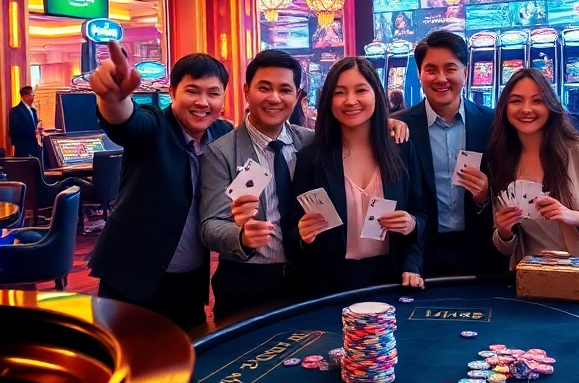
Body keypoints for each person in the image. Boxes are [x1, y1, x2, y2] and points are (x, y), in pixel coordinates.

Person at [87, 42, 233, 329]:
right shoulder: (155, 125)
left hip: (190, 281)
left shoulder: (222, 133)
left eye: (213, 93)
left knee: (186, 351)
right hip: (133, 277)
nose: (203, 102)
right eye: (192, 91)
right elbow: (127, 122)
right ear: (172, 93)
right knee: (127, 352)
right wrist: (112, 99)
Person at [287, 57, 429, 295]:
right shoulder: (311, 158)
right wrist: (303, 236)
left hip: (391, 280)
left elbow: (420, 213)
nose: (350, 101)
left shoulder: (401, 149)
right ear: (328, 100)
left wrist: (411, 232)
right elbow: (292, 235)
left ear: (376, 94)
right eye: (339, 92)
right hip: (331, 287)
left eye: (361, 90)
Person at [201, 50, 314, 319]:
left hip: (307, 278)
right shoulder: (221, 152)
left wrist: (390, 123)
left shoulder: (310, 142)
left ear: (297, 96)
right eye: (264, 88)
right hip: (247, 282)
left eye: (285, 90)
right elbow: (210, 226)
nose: (274, 98)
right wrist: (241, 237)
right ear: (246, 91)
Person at [487, 69, 579, 279]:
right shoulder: (500, 159)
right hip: (535, 280)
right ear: (504, 108)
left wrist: (576, 217)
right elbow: (504, 246)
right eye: (516, 101)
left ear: (550, 106)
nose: (526, 109)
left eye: (537, 101)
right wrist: (504, 231)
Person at [392, 31, 504, 279]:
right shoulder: (398, 127)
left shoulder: (492, 123)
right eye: (431, 70)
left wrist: (485, 196)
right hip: (419, 254)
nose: (441, 78)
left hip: (481, 252)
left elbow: (509, 184)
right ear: (419, 75)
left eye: (450, 69)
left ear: (465, 72)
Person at [8, 86, 42, 158]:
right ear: (25, 96)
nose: (33, 97)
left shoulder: (33, 110)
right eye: (32, 95)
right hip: (23, 148)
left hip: (34, 147)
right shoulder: (16, 110)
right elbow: (15, 130)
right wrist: (33, 132)